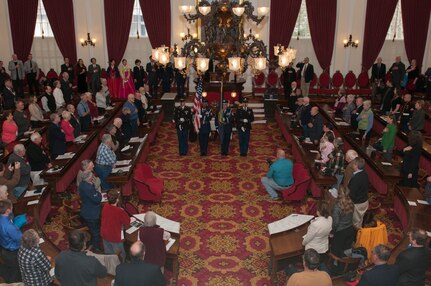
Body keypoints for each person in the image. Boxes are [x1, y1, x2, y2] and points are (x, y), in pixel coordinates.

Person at [101, 190, 130, 260]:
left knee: (109, 255)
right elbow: (127, 221)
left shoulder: (105, 205)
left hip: (105, 234)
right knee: (120, 255)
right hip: (114, 236)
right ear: (117, 199)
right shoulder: (119, 211)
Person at [0, 199, 22, 283]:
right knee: (15, 276)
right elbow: (20, 239)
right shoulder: (9, 227)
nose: (13, 207)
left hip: (4, 249)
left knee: (9, 267)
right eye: (11, 206)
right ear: (8, 210)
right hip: (12, 253)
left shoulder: (2, 218)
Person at [79, 170, 102, 250]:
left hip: (85, 210)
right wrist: (98, 192)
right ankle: (97, 248)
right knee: (96, 232)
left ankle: (93, 242)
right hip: (92, 214)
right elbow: (98, 199)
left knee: (92, 230)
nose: (93, 177)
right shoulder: (88, 188)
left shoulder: (82, 184)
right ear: (89, 178)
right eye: (92, 176)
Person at [331, 185, 355, 257]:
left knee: (336, 252)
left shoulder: (337, 207)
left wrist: (332, 232)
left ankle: (336, 266)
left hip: (340, 232)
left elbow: (335, 223)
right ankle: (345, 265)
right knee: (346, 251)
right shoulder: (351, 203)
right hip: (350, 229)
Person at [348, 157, 369, 228]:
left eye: (353, 164)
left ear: (356, 166)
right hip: (364, 201)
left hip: (358, 203)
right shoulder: (364, 173)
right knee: (360, 220)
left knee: (355, 223)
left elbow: (352, 194)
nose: (352, 165)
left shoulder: (356, 179)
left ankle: (357, 237)